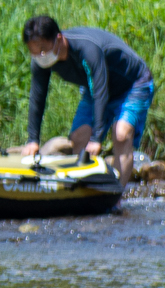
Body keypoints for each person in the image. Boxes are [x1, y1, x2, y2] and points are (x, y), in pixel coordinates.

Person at [17, 15, 154, 185]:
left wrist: (96, 138)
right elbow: (37, 97)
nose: (39, 55)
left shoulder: (88, 49)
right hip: (95, 88)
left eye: (43, 49)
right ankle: (81, 189)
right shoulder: (41, 60)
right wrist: (32, 140)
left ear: (58, 39)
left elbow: (101, 91)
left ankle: (115, 194)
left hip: (133, 84)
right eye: (33, 51)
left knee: (121, 135)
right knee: (78, 137)